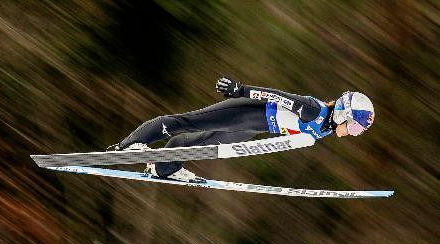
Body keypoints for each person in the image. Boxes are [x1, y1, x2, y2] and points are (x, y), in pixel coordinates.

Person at [107, 76, 375, 182]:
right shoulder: (315, 111)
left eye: (356, 132)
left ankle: (164, 167)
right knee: (188, 122)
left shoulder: (326, 128)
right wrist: (240, 90)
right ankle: (128, 146)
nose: (351, 134)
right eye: (352, 127)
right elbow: (278, 96)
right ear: (343, 113)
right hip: (246, 112)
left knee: (206, 144)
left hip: (252, 128)